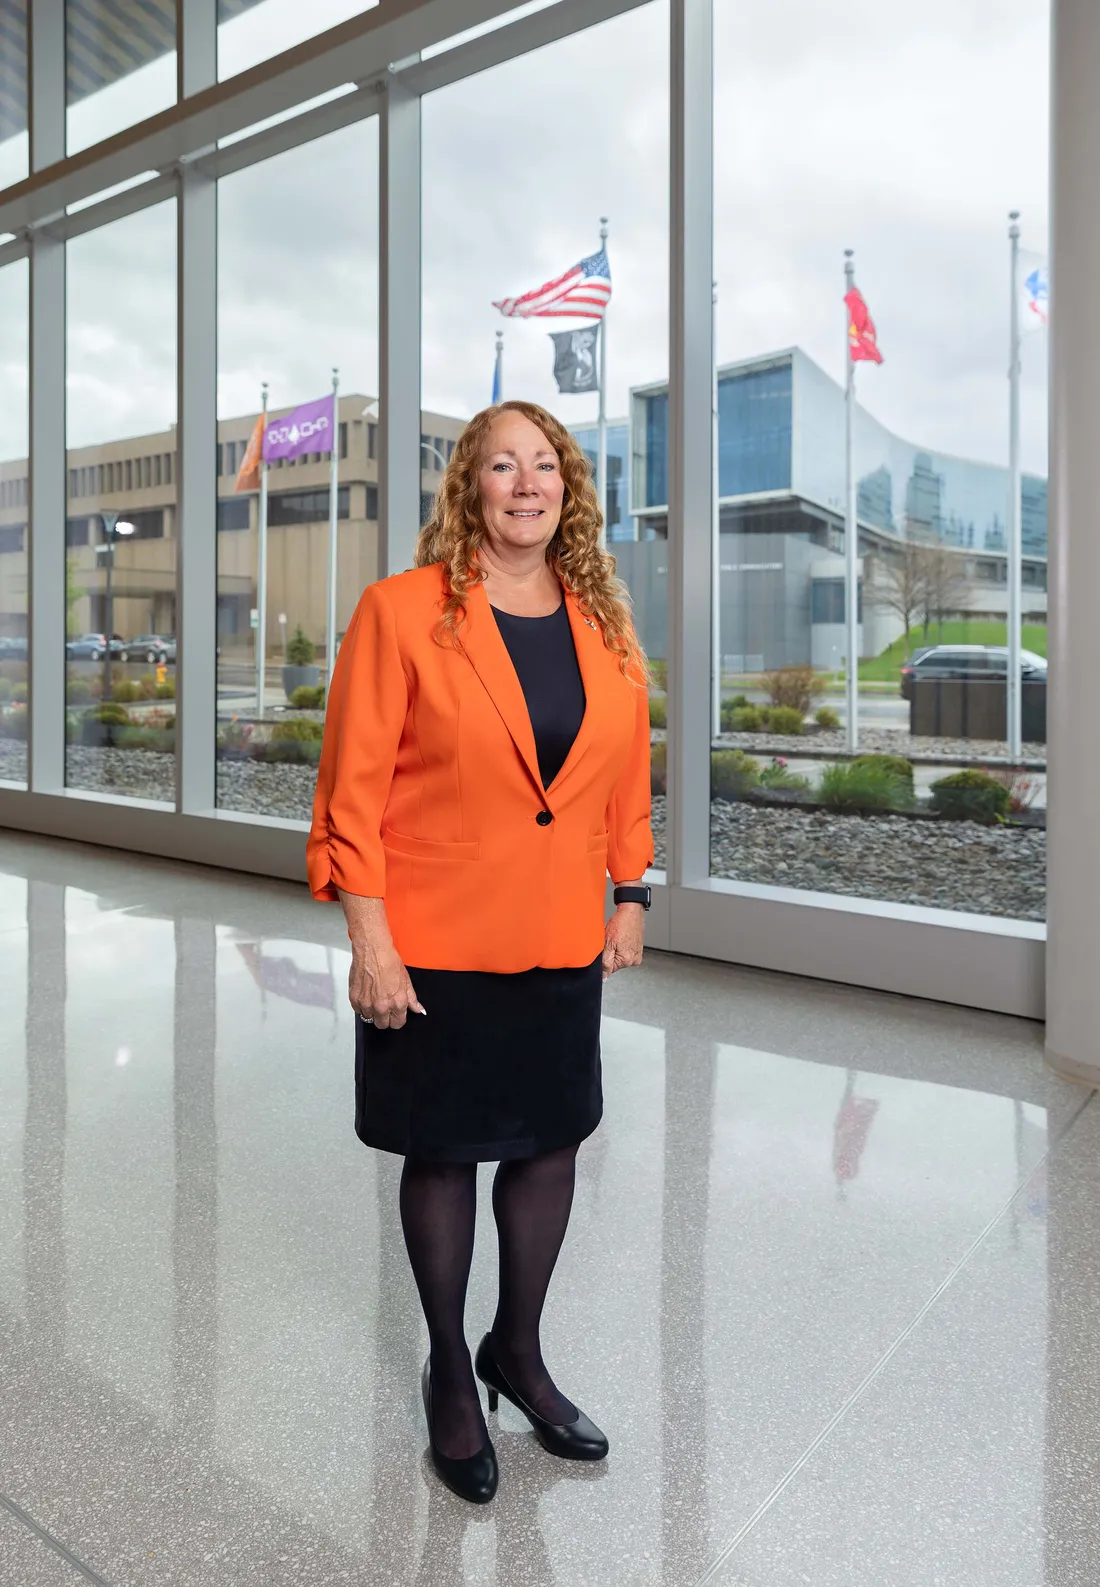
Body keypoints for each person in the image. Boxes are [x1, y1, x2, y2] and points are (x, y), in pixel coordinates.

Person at [307, 399, 653, 1505]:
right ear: (468, 487)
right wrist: (369, 937)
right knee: (447, 1150)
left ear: (568, 490)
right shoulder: (402, 613)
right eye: (499, 465)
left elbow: (621, 772)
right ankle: (450, 1373)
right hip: (435, 941)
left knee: (548, 1146)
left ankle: (519, 1351)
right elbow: (349, 791)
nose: (524, 483)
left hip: (558, 934)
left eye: (542, 466)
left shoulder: (603, 622)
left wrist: (630, 889)